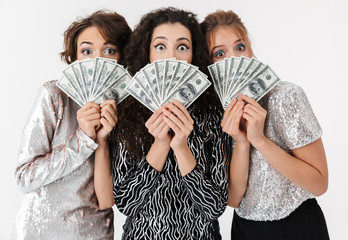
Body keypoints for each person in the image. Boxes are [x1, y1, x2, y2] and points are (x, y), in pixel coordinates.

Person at [201, 10, 330, 240]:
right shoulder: (215, 114)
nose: (235, 59)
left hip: (298, 225)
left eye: (240, 47)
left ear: (249, 49)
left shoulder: (285, 96)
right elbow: (233, 199)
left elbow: (319, 184)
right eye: (219, 53)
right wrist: (241, 142)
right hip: (245, 229)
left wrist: (260, 141)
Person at [110, 7, 232, 240]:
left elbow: (215, 207)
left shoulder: (213, 112)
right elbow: (126, 203)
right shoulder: (127, 113)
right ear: (147, 52)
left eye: (182, 47)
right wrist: (160, 143)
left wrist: (181, 146)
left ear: (194, 55)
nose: (171, 57)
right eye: (160, 46)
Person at [12, 10, 131, 239]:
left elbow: (111, 198)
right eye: (87, 51)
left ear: (122, 58)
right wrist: (83, 139)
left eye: (109, 50)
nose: (97, 60)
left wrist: (103, 140)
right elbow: (24, 177)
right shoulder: (55, 96)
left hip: (95, 231)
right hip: (39, 231)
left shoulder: (126, 110)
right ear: (74, 59)